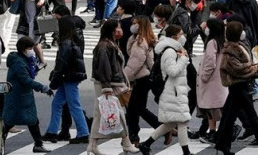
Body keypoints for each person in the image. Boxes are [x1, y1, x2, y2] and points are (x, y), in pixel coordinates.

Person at [137, 24, 193, 155]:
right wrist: (183, 59)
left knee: (170, 123)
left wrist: (182, 57)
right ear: (174, 37)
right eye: (181, 34)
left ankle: (146, 144)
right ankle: (186, 152)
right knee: (183, 121)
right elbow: (172, 71)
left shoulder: (174, 50)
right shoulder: (169, 51)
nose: (183, 36)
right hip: (173, 92)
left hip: (174, 91)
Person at [215, 21, 258, 155]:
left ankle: (222, 144)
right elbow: (236, 68)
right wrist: (254, 69)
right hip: (237, 85)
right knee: (250, 115)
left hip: (241, 85)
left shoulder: (240, 45)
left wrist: (253, 67)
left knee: (229, 116)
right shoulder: (229, 50)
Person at [88, 20, 141, 154]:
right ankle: (126, 142)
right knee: (117, 113)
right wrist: (107, 87)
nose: (121, 30)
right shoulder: (105, 46)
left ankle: (92, 145)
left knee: (100, 114)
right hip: (107, 85)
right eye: (118, 28)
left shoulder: (110, 44)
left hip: (109, 84)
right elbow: (104, 67)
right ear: (112, 30)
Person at [2, 37, 52, 153]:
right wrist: (42, 87)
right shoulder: (19, 63)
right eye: (30, 48)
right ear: (24, 49)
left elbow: (28, 75)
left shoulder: (22, 60)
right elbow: (25, 79)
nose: (32, 51)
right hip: (17, 97)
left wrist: (38, 67)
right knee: (10, 122)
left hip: (22, 97)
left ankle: (38, 144)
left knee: (32, 121)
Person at [44, 17, 90, 145]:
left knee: (74, 105)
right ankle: (52, 131)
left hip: (68, 77)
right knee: (57, 103)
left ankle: (83, 133)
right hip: (71, 76)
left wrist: (54, 81)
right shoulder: (73, 40)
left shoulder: (65, 43)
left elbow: (61, 64)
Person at [196, 18, 228, 143]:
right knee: (216, 107)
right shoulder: (222, 41)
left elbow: (210, 62)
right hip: (219, 79)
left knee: (211, 108)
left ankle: (214, 133)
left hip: (210, 80)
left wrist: (204, 76)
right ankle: (215, 131)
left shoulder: (212, 42)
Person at [17, 0, 47, 67]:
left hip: (36, 12)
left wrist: (42, 0)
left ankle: (34, 62)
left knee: (33, 39)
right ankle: (36, 61)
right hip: (25, 11)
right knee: (25, 37)